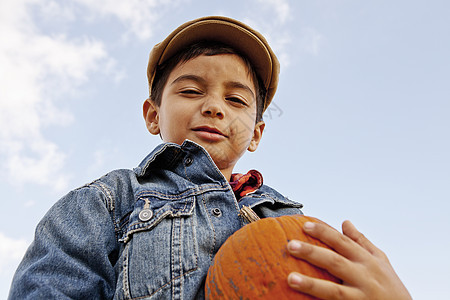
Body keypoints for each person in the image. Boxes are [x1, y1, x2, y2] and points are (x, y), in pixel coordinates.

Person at [8, 16, 411, 299]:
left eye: (235, 99)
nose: (215, 107)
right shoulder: (107, 201)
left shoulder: (293, 224)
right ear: (153, 115)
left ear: (256, 134)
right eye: (191, 91)